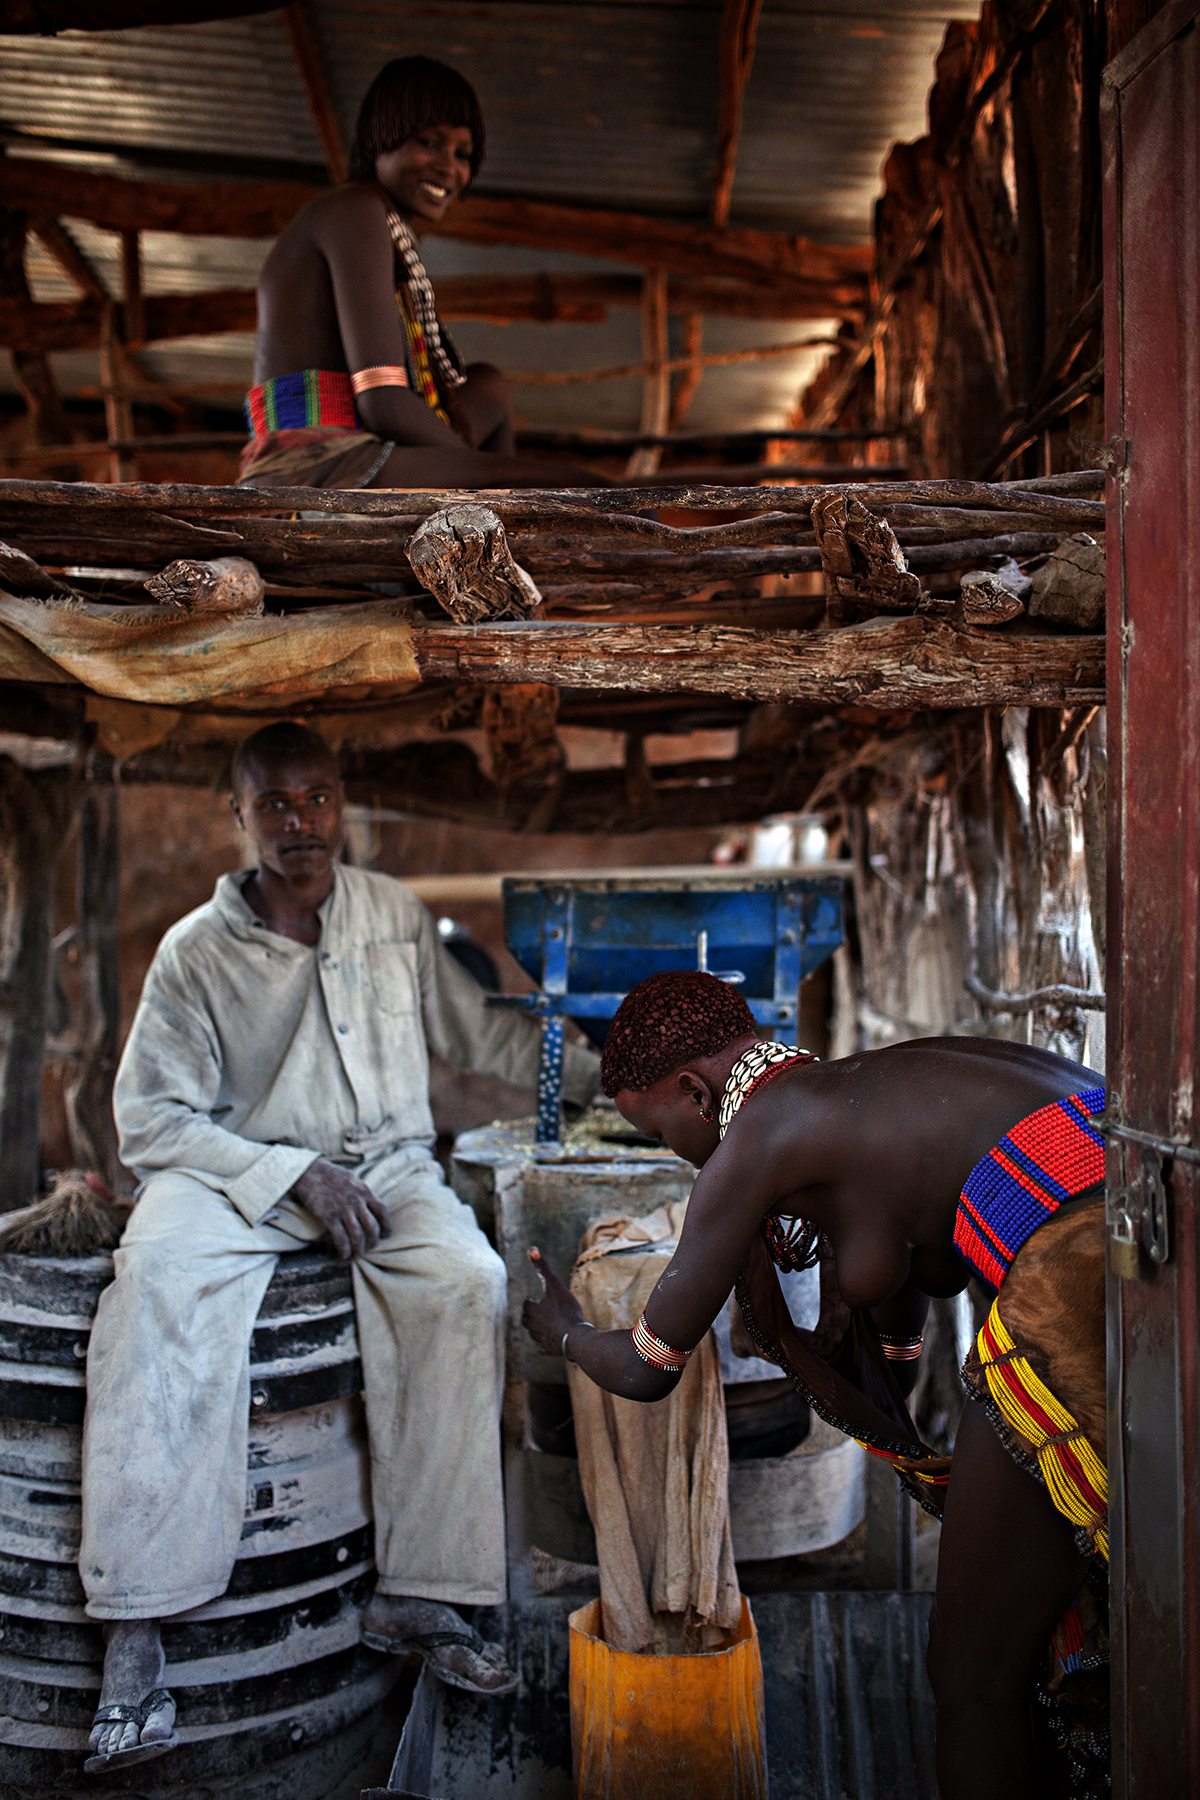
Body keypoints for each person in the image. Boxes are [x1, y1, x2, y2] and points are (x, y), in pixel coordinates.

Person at [82, 720, 599, 1773]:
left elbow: (474, 1034)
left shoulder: (393, 915)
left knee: (467, 1281)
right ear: (237, 817)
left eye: (315, 798)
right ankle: (136, 1632)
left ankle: (425, 1593)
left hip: (388, 1170)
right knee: (153, 1284)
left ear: (342, 804)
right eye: (273, 804)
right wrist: (288, 1176)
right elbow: (152, 1122)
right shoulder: (195, 952)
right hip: (236, 1179)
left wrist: (611, 1072)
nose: (298, 822)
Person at [522, 971, 1108, 1800]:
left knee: (971, 1676)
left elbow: (649, 1370)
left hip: (1081, 1290)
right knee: (1049, 1617)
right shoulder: (864, 1085)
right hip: (1146, 1229)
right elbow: (912, 1261)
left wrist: (568, 1332)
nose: (675, 1155)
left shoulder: (757, 1141)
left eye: (659, 1134)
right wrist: (887, 1360)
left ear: (694, 1092)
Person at [242, 55, 601, 492]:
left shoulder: (381, 224)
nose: (449, 166)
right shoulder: (353, 210)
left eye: (463, 154)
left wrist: (477, 473)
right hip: (314, 466)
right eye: (429, 143)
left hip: (364, 444)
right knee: (600, 495)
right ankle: (491, 511)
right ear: (381, 137)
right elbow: (383, 402)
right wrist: (481, 475)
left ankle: (489, 526)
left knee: (489, 387)